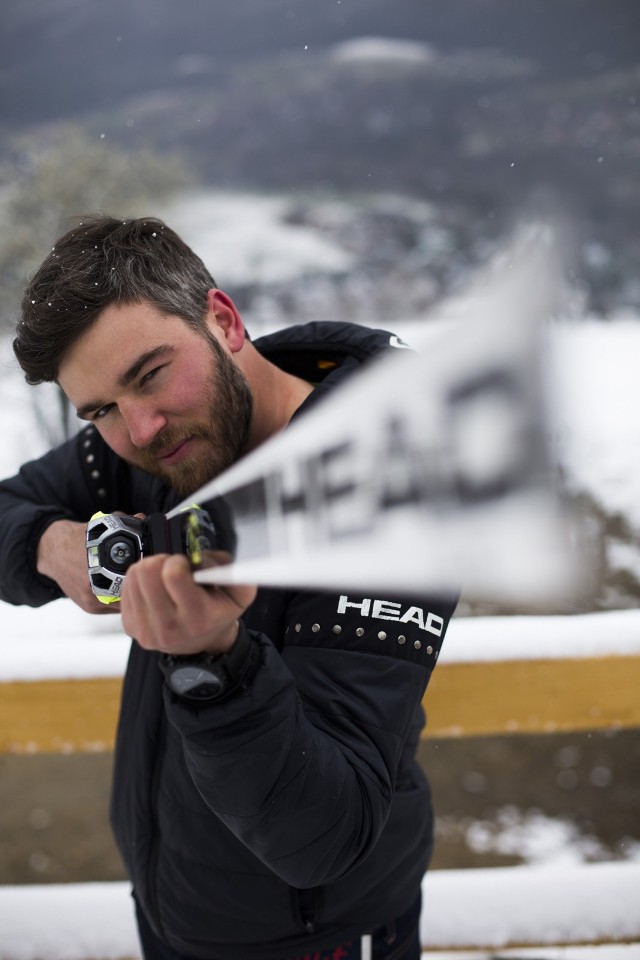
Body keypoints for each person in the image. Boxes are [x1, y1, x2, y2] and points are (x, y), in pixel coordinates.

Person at [0, 216, 457, 960]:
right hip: (173, 909)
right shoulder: (170, 434)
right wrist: (53, 547)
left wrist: (214, 664)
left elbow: (323, 834)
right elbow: (7, 508)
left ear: (223, 320)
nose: (139, 430)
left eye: (150, 375)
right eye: (101, 411)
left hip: (320, 938)